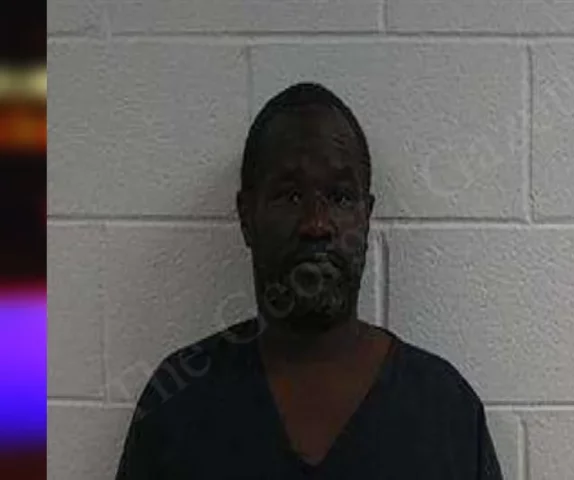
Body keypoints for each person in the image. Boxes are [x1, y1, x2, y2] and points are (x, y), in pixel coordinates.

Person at [115, 82, 503, 479]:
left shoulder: (447, 411)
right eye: (291, 196)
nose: (317, 224)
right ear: (246, 216)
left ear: (366, 217)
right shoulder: (177, 401)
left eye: (340, 197)